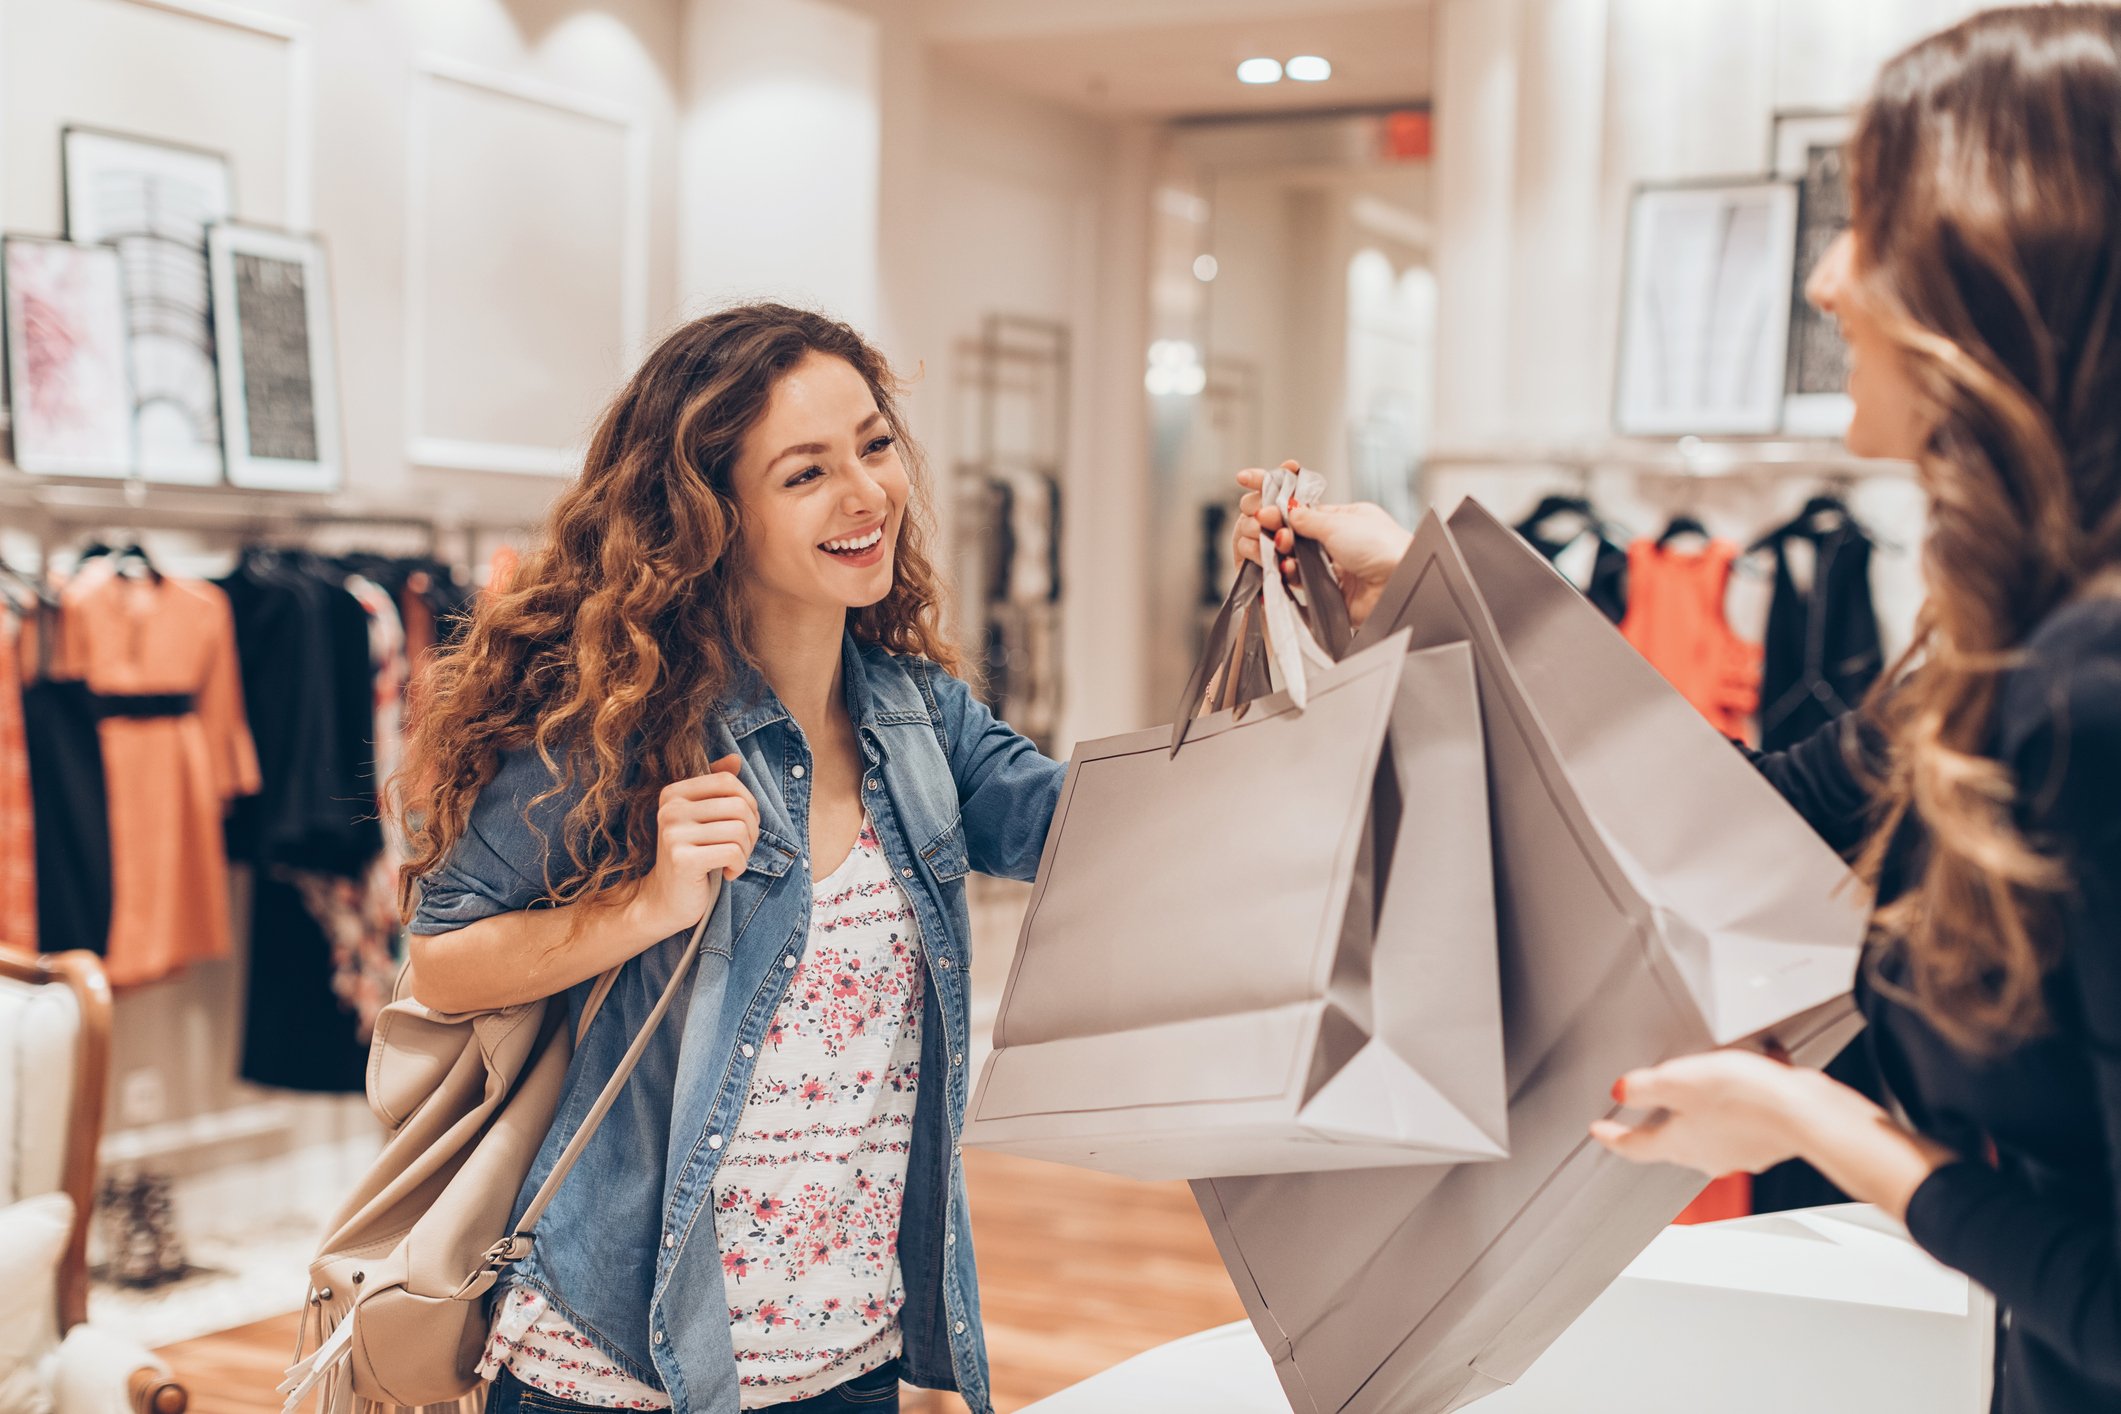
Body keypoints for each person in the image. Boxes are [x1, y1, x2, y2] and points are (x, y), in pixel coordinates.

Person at [1237, 8, 2121, 1410]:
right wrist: (1422, 584)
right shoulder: (1991, 652)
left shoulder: (2090, 692)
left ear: (2008, 268)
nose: (1826, 277)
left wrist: (1797, 1116)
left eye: (1872, 220)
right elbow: (1726, 810)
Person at [396, 303, 1064, 1413]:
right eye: (806, 473)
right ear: (709, 516)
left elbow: (1104, 835)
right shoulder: (612, 732)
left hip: (845, 1358)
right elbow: (442, 964)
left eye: (875, 444)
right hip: (618, 1364)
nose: (867, 494)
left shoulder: (922, 724)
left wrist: (1287, 637)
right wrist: (648, 904)